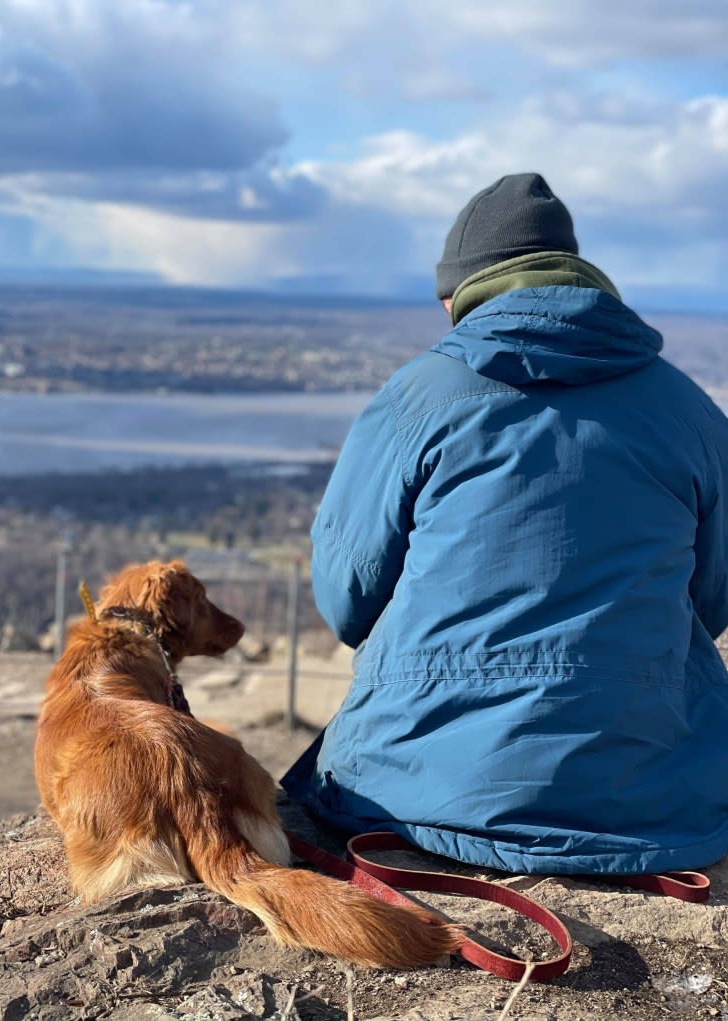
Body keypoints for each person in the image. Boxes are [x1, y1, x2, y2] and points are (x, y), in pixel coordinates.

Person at [281, 172, 728, 875]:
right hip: (653, 797)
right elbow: (712, 601)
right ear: (584, 281)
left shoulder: (415, 399)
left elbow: (346, 601)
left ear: (458, 296)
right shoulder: (689, 410)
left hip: (415, 792)